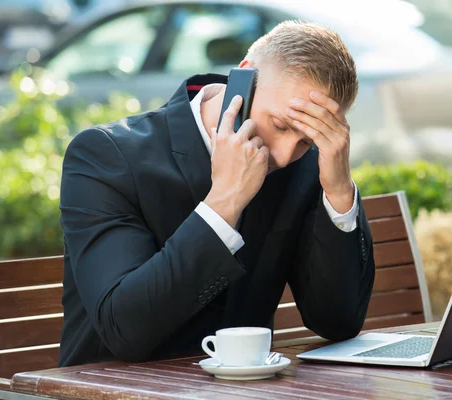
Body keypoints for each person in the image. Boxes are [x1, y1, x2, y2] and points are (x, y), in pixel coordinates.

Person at [58, 20, 375, 367]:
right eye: (280, 125)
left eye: (306, 141)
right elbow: (125, 331)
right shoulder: (105, 158)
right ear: (243, 78)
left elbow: (338, 322)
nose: (284, 156)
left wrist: (339, 190)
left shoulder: (305, 167)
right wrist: (225, 200)